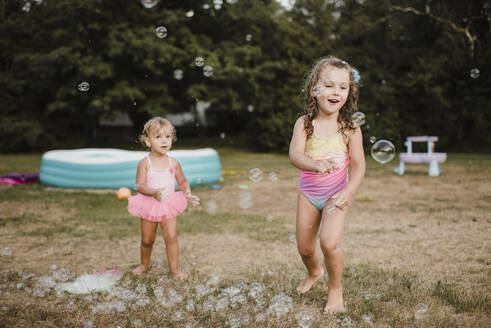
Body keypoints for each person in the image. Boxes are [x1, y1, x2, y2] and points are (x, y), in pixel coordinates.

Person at [289, 56, 365, 313]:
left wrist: (348, 192)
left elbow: (359, 166)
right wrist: (315, 165)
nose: (336, 92)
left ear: (349, 92)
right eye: (330, 85)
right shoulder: (305, 124)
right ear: (315, 89)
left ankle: (335, 291)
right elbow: (295, 155)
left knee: (329, 244)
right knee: (305, 248)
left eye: (343, 87)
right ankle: (314, 272)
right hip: (309, 194)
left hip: (336, 195)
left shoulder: (350, 129)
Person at [128, 117, 200, 279]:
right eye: (158, 137)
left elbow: (182, 181)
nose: (164, 141)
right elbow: (139, 185)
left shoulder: (173, 163)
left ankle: (174, 269)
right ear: (148, 141)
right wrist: (151, 191)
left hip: (168, 204)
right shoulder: (145, 163)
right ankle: (144, 264)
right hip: (149, 204)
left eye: (168, 137)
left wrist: (187, 193)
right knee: (147, 239)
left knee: (171, 237)